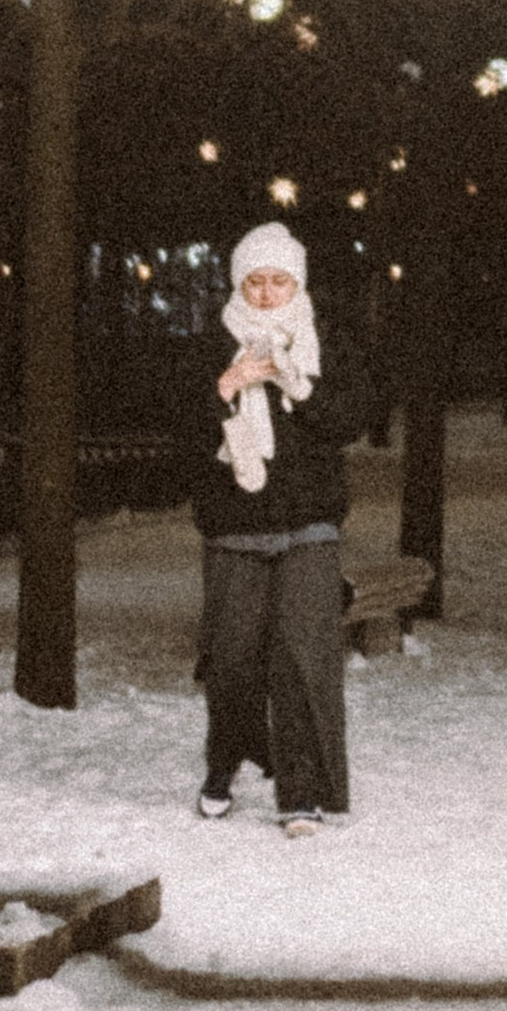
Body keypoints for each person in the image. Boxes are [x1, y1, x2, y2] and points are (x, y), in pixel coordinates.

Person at [190, 227, 372, 833]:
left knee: (305, 657)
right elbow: (183, 437)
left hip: (309, 524)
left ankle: (303, 792)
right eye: (256, 282)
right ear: (240, 285)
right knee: (232, 661)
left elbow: (351, 420)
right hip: (234, 527)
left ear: (298, 283)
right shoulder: (213, 343)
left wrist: (299, 388)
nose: (267, 294)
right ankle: (223, 764)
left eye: (279, 281)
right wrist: (224, 389)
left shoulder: (324, 343)